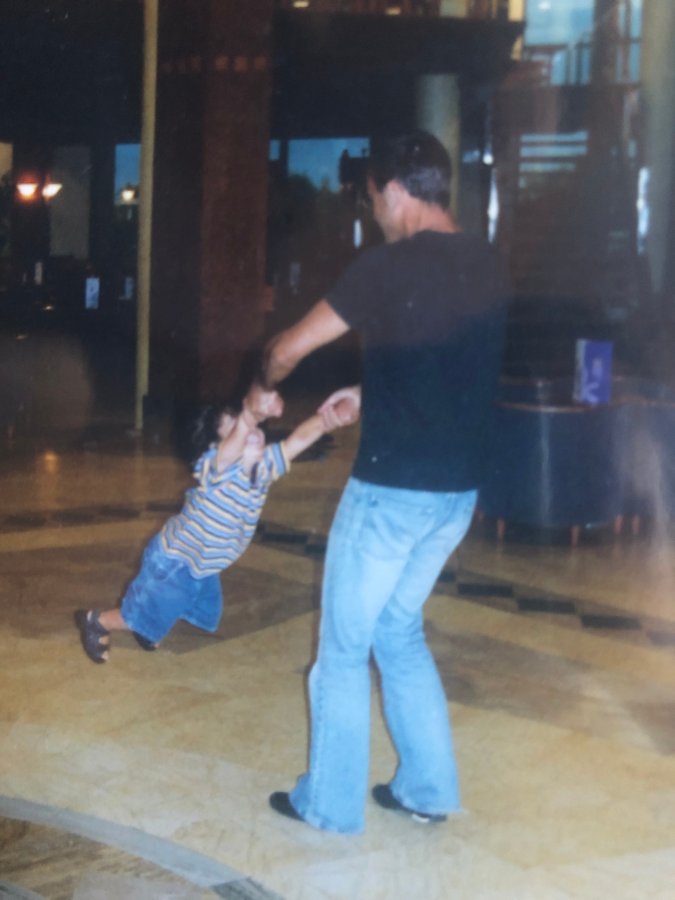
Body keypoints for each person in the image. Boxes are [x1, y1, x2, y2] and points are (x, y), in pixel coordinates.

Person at [246, 130, 510, 834]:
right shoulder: (488, 263)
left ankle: (327, 805)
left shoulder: (385, 267)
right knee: (397, 630)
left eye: (371, 201)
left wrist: (260, 388)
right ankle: (427, 789)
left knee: (342, 647)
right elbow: (450, 364)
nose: (373, 216)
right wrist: (371, 393)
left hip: (391, 493)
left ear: (393, 190)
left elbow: (287, 348)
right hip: (455, 497)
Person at [74, 395, 356, 664]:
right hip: (176, 561)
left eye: (253, 428)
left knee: (189, 605)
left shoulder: (264, 467)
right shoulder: (215, 469)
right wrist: (248, 416)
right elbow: (228, 450)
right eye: (238, 433)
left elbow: (298, 440)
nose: (250, 433)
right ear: (215, 447)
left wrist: (328, 419)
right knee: (142, 610)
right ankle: (97, 621)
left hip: (203, 563)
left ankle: (151, 623)